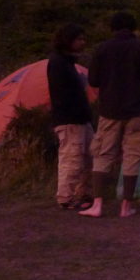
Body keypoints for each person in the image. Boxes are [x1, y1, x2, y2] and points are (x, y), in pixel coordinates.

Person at [79, 12, 140, 218]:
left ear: (113, 28)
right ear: (133, 27)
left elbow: (93, 80)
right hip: (137, 110)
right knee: (133, 155)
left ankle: (97, 205)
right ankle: (126, 206)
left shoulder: (102, 49)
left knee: (103, 153)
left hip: (110, 110)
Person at [47, 23, 94, 210]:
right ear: (69, 41)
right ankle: (66, 197)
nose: (83, 43)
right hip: (69, 119)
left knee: (90, 155)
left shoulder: (68, 62)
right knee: (72, 158)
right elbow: (63, 94)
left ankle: (83, 193)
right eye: (79, 39)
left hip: (81, 118)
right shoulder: (58, 63)